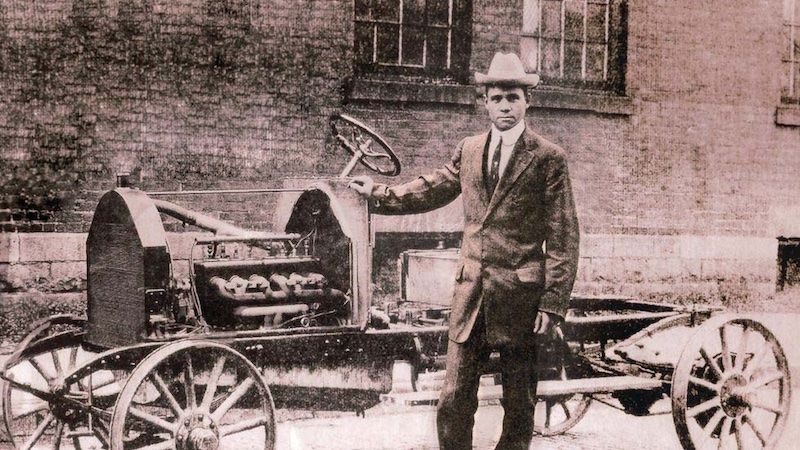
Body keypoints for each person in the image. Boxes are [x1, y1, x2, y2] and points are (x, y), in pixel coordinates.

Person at [349, 52, 580, 450]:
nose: (504, 106)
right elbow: (434, 186)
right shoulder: (470, 149)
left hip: (520, 298)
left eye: (512, 97)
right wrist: (381, 194)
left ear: (527, 101)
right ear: (485, 102)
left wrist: (552, 304)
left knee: (519, 403)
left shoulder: (548, 158)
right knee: (454, 399)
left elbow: (564, 236)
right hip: (470, 294)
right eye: (496, 98)